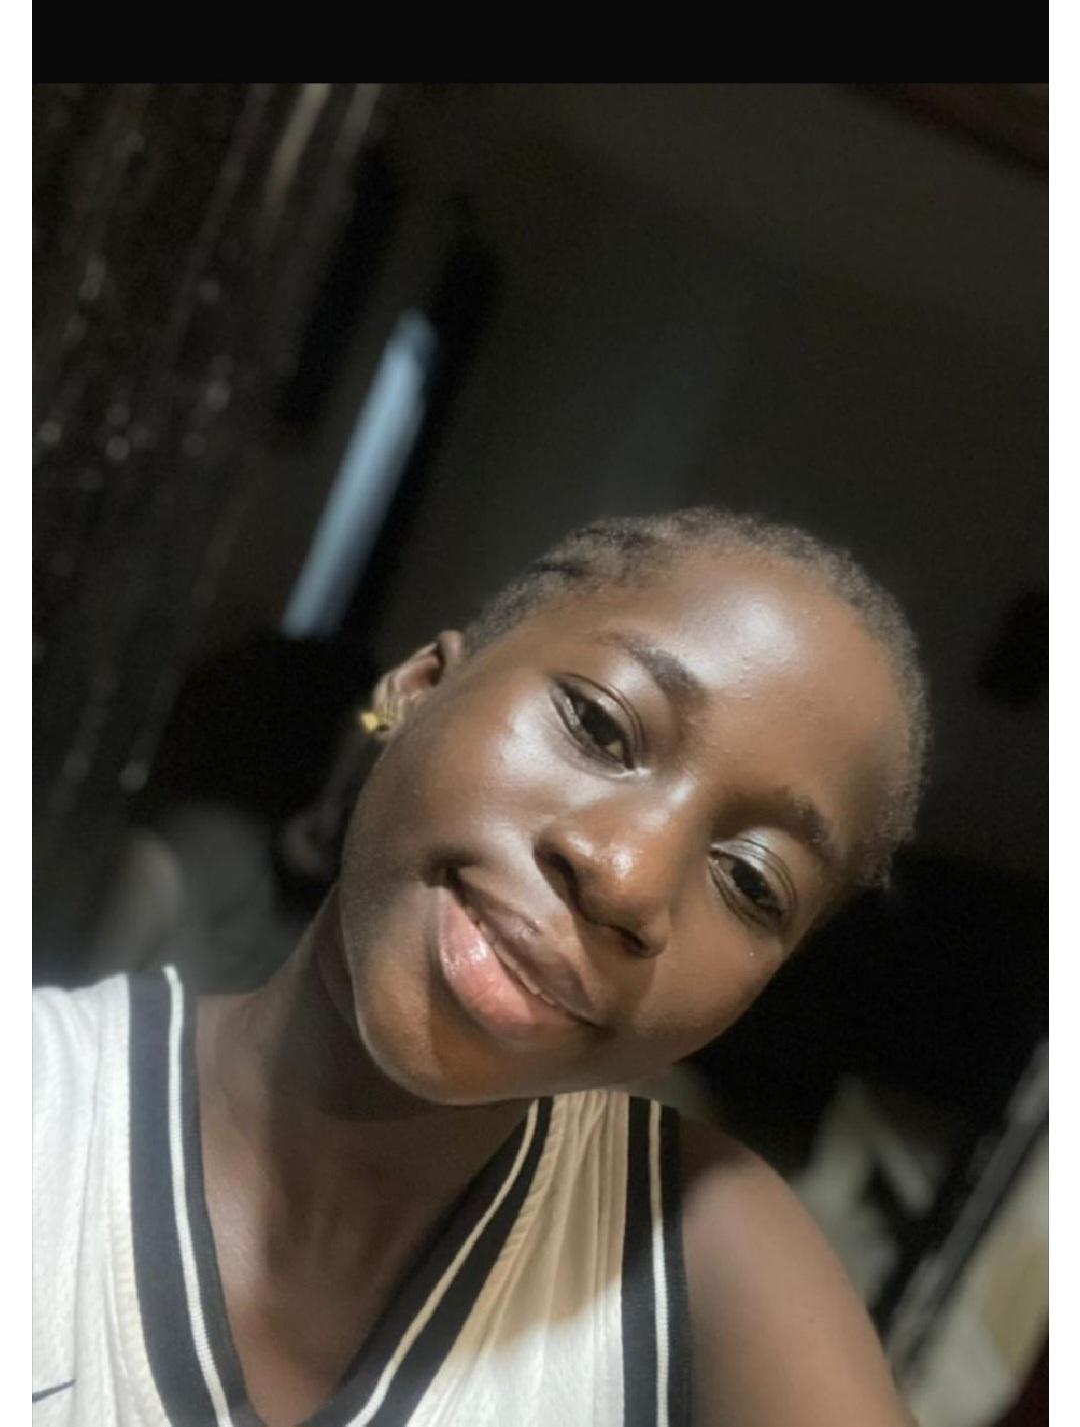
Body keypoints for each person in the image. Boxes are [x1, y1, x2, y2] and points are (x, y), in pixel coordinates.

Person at [33, 509, 928, 1427]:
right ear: (418, 688)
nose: (627, 875)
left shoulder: (705, 1252)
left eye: (751, 880)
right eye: (599, 725)